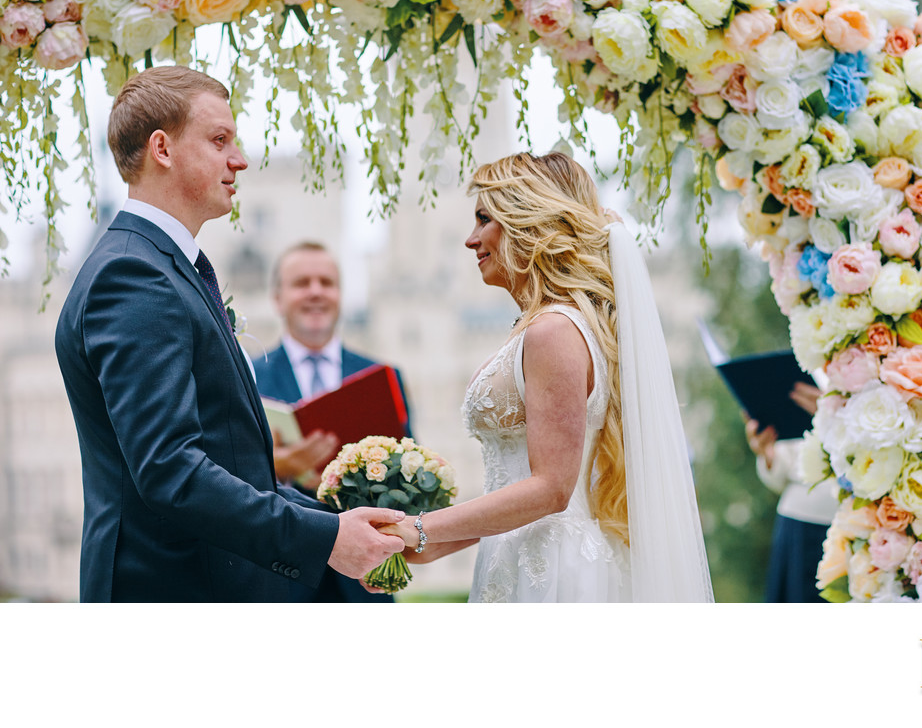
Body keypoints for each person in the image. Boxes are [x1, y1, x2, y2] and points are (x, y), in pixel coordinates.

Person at [54, 65, 405, 602]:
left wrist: (347, 524)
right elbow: (171, 471)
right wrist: (326, 539)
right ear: (162, 149)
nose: (239, 160)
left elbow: (235, 464)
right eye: (219, 141)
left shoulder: (164, 265)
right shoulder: (133, 275)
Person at [383, 152, 714, 602]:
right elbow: (520, 485)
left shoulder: (554, 331)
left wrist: (419, 527)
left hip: (552, 572)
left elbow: (552, 489)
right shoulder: (551, 325)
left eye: (484, 219)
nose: (469, 239)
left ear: (525, 223)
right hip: (518, 554)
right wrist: (434, 543)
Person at [254, 241, 414, 602]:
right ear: (277, 298)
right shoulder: (246, 378)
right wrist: (279, 467)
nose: (315, 292)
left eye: (326, 282)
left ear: (341, 295)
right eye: (301, 283)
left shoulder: (383, 376)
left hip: (363, 586)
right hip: (278, 580)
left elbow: (411, 477)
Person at [745, 380, 838, 603]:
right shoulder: (805, 372)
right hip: (798, 527)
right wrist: (767, 454)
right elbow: (782, 472)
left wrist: (835, 419)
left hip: (863, 524)